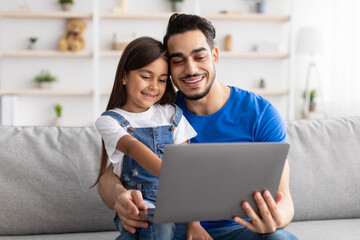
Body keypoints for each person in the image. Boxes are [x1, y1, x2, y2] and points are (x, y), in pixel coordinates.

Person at [97, 14, 299, 240]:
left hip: (239, 230)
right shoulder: (159, 110)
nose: (191, 69)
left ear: (214, 56)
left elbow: (284, 196)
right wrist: (120, 197)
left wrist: (275, 219)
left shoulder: (261, 114)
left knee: (279, 238)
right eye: (178, 60)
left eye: (199, 56)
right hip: (174, 230)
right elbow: (109, 176)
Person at [93, 36, 197, 240]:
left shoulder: (172, 114)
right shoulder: (110, 120)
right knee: (159, 223)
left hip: (175, 204)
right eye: (146, 76)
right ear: (124, 76)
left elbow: (186, 171)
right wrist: (168, 172)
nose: (154, 86)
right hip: (139, 203)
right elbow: (133, 147)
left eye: (161, 79)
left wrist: (195, 223)